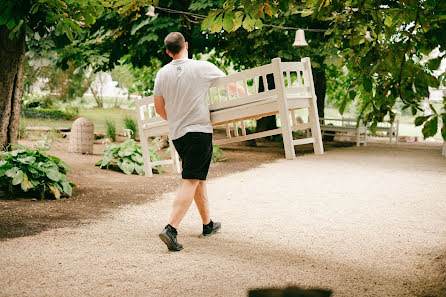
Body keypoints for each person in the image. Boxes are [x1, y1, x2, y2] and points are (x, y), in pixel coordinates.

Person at [154, 32, 243, 251]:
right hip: (199, 132)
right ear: (186, 45)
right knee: (191, 179)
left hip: (178, 135)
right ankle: (171, 229)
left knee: (198, 179)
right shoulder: (202, 67)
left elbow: (159, 108)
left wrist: (177, 120)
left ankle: (207, 224)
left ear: (167, 51)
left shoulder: (162, 73)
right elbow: (233, 86)